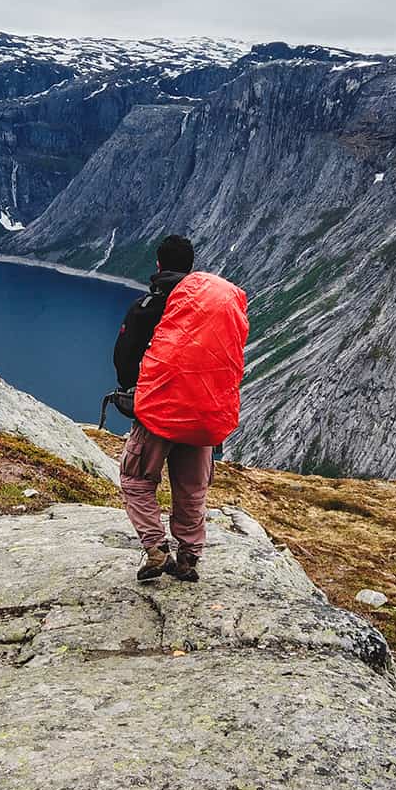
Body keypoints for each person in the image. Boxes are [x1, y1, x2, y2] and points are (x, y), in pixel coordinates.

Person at [112, 234, 248, 583]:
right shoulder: (206, 307)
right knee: (191, 489)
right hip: (203, 412)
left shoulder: (150, 306)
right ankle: (188, 558)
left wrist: (134, 387)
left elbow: (125, 359)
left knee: (136, 479)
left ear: (158, 264)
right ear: (191, 266)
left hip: (159, 411)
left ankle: (156, 548)